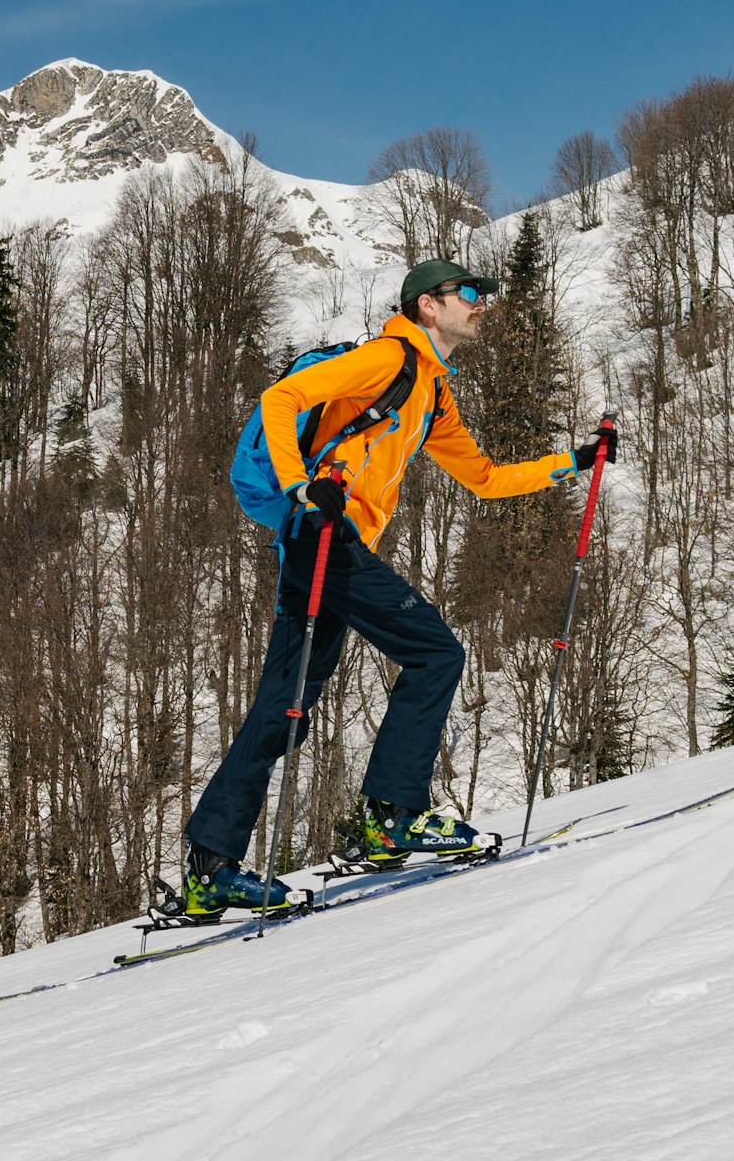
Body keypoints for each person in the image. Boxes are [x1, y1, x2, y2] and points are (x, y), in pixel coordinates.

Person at [182, 258, 617, 917]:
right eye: (468, 293)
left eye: (482, 296)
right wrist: (303, 482)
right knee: (436, 652)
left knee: (283, 707)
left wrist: (574, 463)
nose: (480, 305)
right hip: (323, 535)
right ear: (427, 305)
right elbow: (281, 399)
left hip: (319, 545)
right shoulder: (389, 360)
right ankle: (395, 815)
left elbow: (486, 478)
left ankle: (211, 866)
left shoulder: (433, 392)